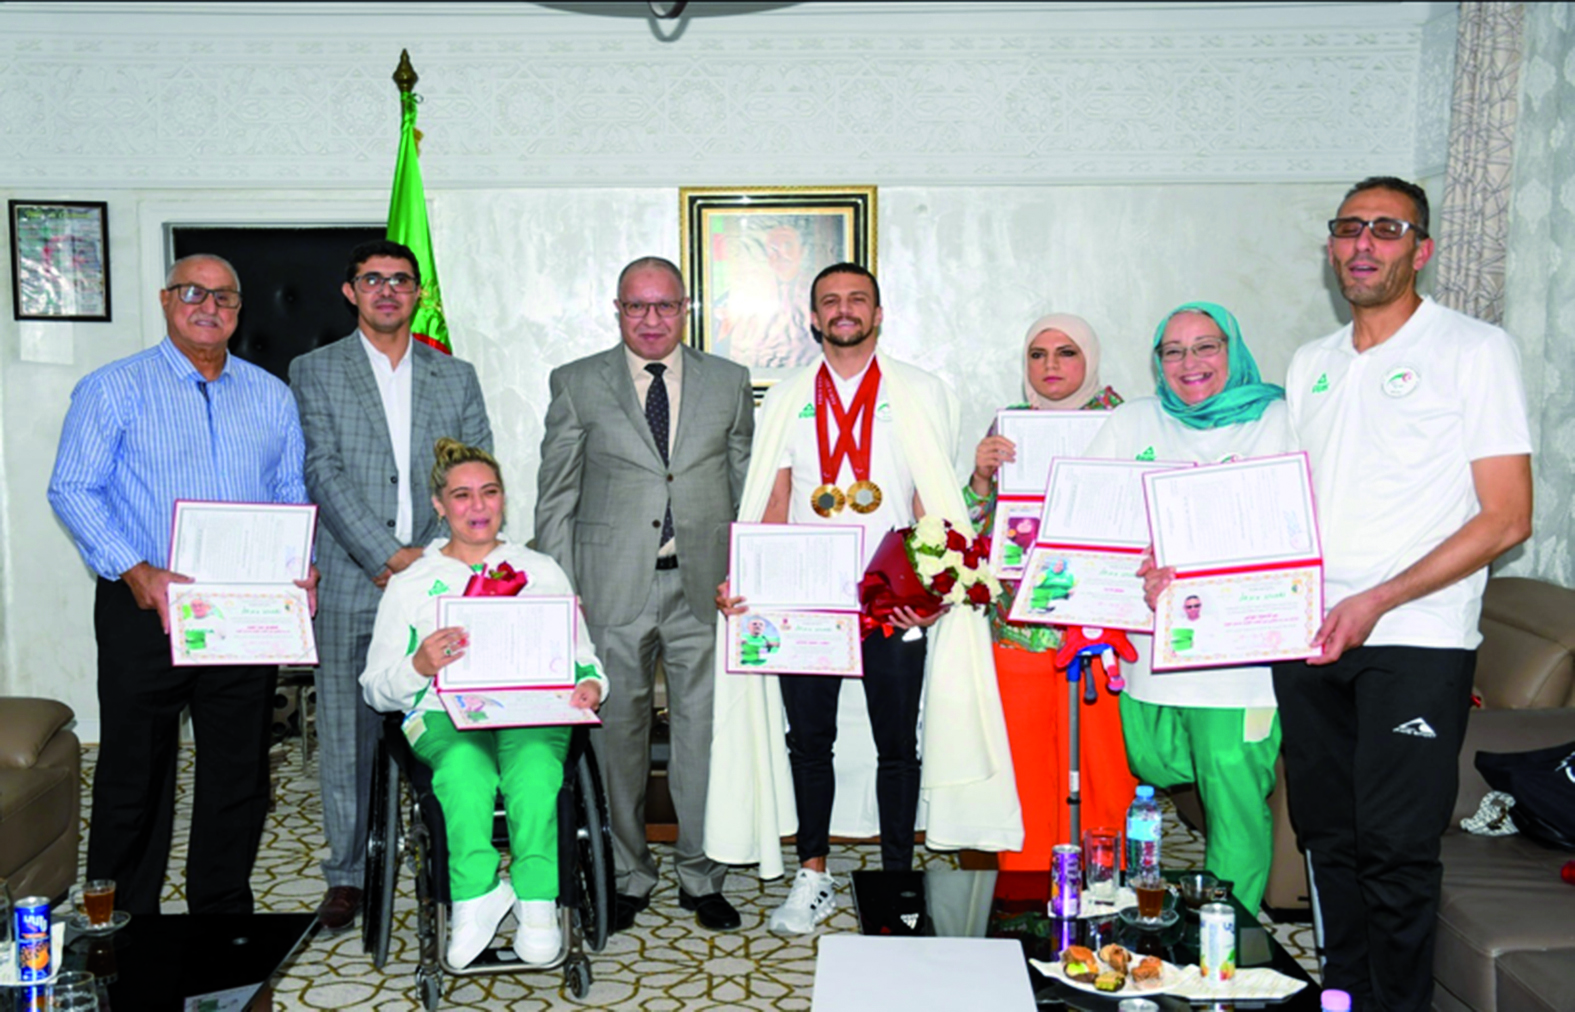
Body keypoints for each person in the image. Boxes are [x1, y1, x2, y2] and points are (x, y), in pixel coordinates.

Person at [1274, 176, 1532, 1011]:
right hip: (1310, 634)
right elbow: (1285, 505)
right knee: (1327, 837)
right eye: (1348, 227)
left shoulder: (1472, 349)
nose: (1362, 244)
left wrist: (1377, 599)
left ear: (1419, 249)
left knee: (1394, 846)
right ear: (1330, 246)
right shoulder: (1310, 363)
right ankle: (1343, 996)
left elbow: (1505, 517)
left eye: (1385, 229)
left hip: (1414, 636)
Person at [711, 263, 1021, 933]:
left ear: (878, 314)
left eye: (857, 300)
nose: (843, 310)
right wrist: (746, 578)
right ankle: (813, 872)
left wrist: (934, 590)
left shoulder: (919, 391)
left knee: (895, 744)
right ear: (813, 318)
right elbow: (773, 495)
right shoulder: (789, 395)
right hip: (805, 601)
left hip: (889, 599)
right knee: (809, 742)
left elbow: (926, 499)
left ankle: (896, 880)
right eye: (830, 302)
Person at [48, 254, 316, 915]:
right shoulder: (113, 388)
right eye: (193, 292)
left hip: (243, 611)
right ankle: (121, 919)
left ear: (239, 310)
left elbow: (289, 487)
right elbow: (73, 489)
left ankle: (221, 911)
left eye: (224, 297)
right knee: (134, 773)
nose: (209, 306)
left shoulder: (269, 394)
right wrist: (136, 569)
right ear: (168, 300)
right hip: (145, 605)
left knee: (238, 770)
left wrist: (297, 560)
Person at [535, 256, 754, 933]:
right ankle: (628, 874)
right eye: (637, 307)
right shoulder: (576, 383)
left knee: (704, 740)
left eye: (663, 306)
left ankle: (700, 874)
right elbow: (556, 495)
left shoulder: (729, 381)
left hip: (705, 591)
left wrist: (753, 574)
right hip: (611, 590)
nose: (651, 320)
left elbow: (746, 485)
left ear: (684, 309)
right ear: (617, 310)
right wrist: (557, 595)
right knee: (617, 741)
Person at [288, 239, 493, 931]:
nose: (385, 291)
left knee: (447, 717)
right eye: (371, 280)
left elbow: (472, 470)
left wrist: (436, 559)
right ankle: (347, 874)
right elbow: (322, 470)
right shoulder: (314, 371)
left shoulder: (454, 375)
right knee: (347, 733)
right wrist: (388, 556)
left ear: (416, 293)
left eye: (399, 280)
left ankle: (452, 852)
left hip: (440, 580)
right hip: (355, 575)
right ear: (350, 291)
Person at [360, 439, 608, 969]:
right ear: (439, 505)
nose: (478, 507)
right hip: (442, 713)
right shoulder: (411, 584)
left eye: (489, 493)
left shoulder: (540, 570)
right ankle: (476, 898)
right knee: (466, 770)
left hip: (531, 709)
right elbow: (375, 687)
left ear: (503, 500)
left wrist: (592, 686)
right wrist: (419, 665)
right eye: (462, 495)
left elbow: (582, 658)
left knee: (537, 769)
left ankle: (538, 900)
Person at [1087, 300, 1294, 917]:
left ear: (1233, 350)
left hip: (1241, 658)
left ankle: (1232, 926)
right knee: (1153, 760)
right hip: (1154, 641)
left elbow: (1297, 521)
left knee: (1231, 786)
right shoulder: (1134, 420)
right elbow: (1091, 516)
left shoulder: (1279, 418)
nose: (1190, 362)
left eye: (1206, 346)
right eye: (1173, 351)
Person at [962, 313, 1133, 870]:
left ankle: (1105, 877)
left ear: (1090, 359)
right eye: (1038, 354)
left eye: (1066, 353)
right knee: (1027, 760)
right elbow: (973, 534)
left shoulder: (1125, 422)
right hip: (1019, 628)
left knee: (1104, 764)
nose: (1051, 366)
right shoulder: (1010, 426)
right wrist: (982, 477)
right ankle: (1029, 880)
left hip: (1100, 628)